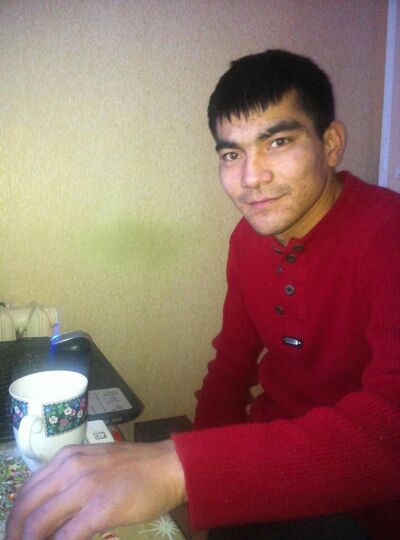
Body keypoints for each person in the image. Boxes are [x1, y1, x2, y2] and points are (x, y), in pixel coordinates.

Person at [6, 49, 400, 540]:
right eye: (231, 154)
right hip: (258, 468)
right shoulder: (247, 240)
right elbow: (230, 369)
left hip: (367, 509)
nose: (251, 177)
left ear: (332, 143)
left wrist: (182, 470)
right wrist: (199, 496)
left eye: (278, 141)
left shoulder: (389, 235)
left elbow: (391, 430)